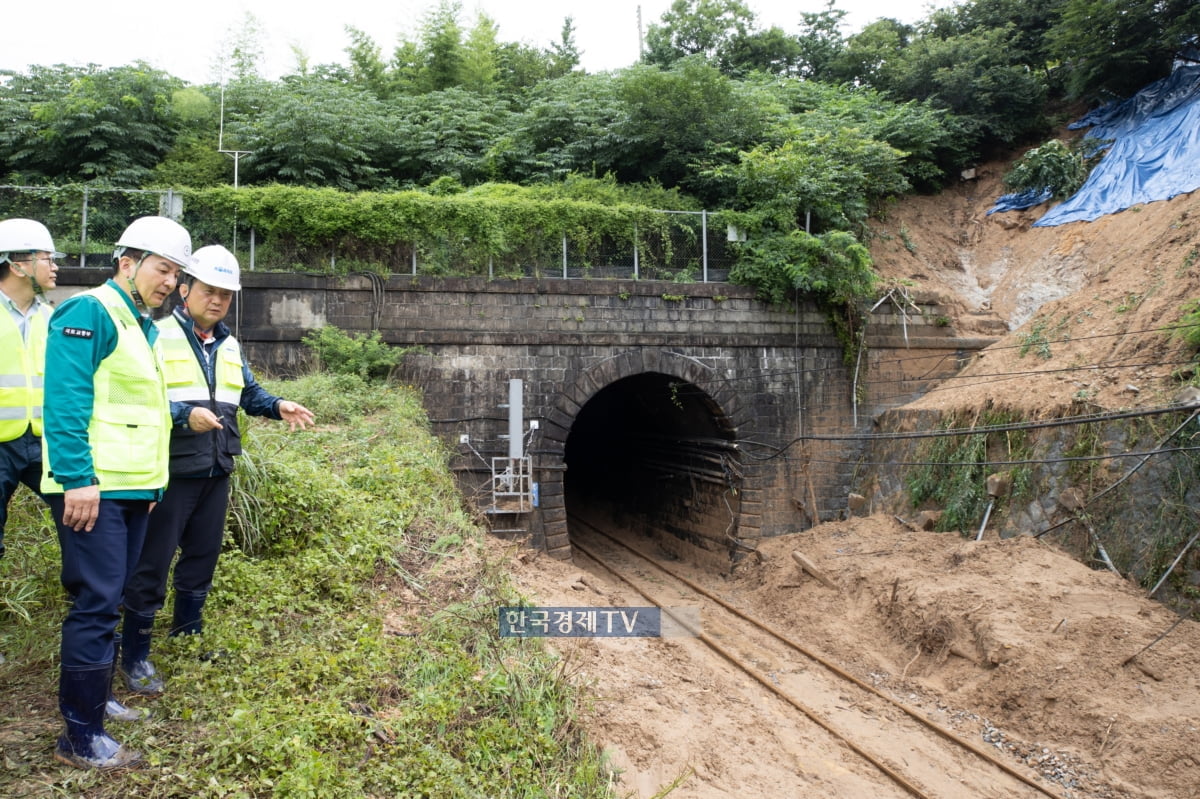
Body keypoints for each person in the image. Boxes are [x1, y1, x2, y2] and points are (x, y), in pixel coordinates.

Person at [120, 244, 314, 696]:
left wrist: (278, 405)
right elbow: (139, 397)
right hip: (170, 469)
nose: (218, 300)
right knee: (152, 563)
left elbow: (247, 393)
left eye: (226, 294)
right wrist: (181, 414)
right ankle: (135, 656)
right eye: (210, 290)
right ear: (184, 290)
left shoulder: (229, 344)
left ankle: (188, 635)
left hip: (217, 467)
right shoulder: (156, 335)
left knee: (202, 557)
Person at [41, 215, 194, 770]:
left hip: (130, 491)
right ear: (127, 263)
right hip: (93, 490)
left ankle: (98, 697)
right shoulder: (89, 311)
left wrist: (150, 484)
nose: (170, 283)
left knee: (115, 594)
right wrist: (77, 478)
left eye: (176, 275)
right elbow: (65, 401)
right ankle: (79, 736)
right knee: (97, 603)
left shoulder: (141, 327)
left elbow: (143, 415)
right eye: (162, 269)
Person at [0, 219, 61, 562]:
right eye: (47, 258)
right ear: (17, 265)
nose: (55, 267)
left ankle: (87, 600)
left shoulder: (53, 318)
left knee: (79, 513)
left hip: (44, 440)